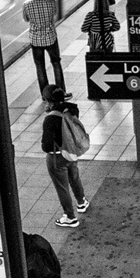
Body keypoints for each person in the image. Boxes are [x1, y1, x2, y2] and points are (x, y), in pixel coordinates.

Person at [41, 86, 90, 228]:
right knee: (74, 178)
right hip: (72, 152)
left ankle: (70, 217)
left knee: (62, 187)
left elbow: (46, 146)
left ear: (50, 102)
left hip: (57, 158)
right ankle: (82, 203)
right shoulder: (71, 110)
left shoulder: (50, 119)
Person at [23, 0, 64, 95]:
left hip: (35, 41)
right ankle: (61, 91)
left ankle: (46, 95)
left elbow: (26, 19)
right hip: (50, 38)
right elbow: (54, 14)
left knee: (40, 67)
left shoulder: (26, 5)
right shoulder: (52, 2)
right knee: (56, 63)